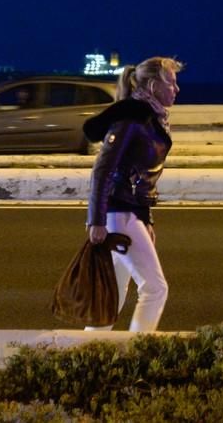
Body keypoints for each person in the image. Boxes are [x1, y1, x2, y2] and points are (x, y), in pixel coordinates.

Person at [83, 56, 182, 332]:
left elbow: (141, 178)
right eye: (171, 84)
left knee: (114, 291)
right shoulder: (132, 119)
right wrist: (96, 221)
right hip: (118, 213)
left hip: (130, 212)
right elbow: (103, 169)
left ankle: (90, 352)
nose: (176, 90)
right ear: (152, 86)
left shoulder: (151, 118)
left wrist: (147, 220)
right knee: (155, 287)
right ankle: (138, 352)